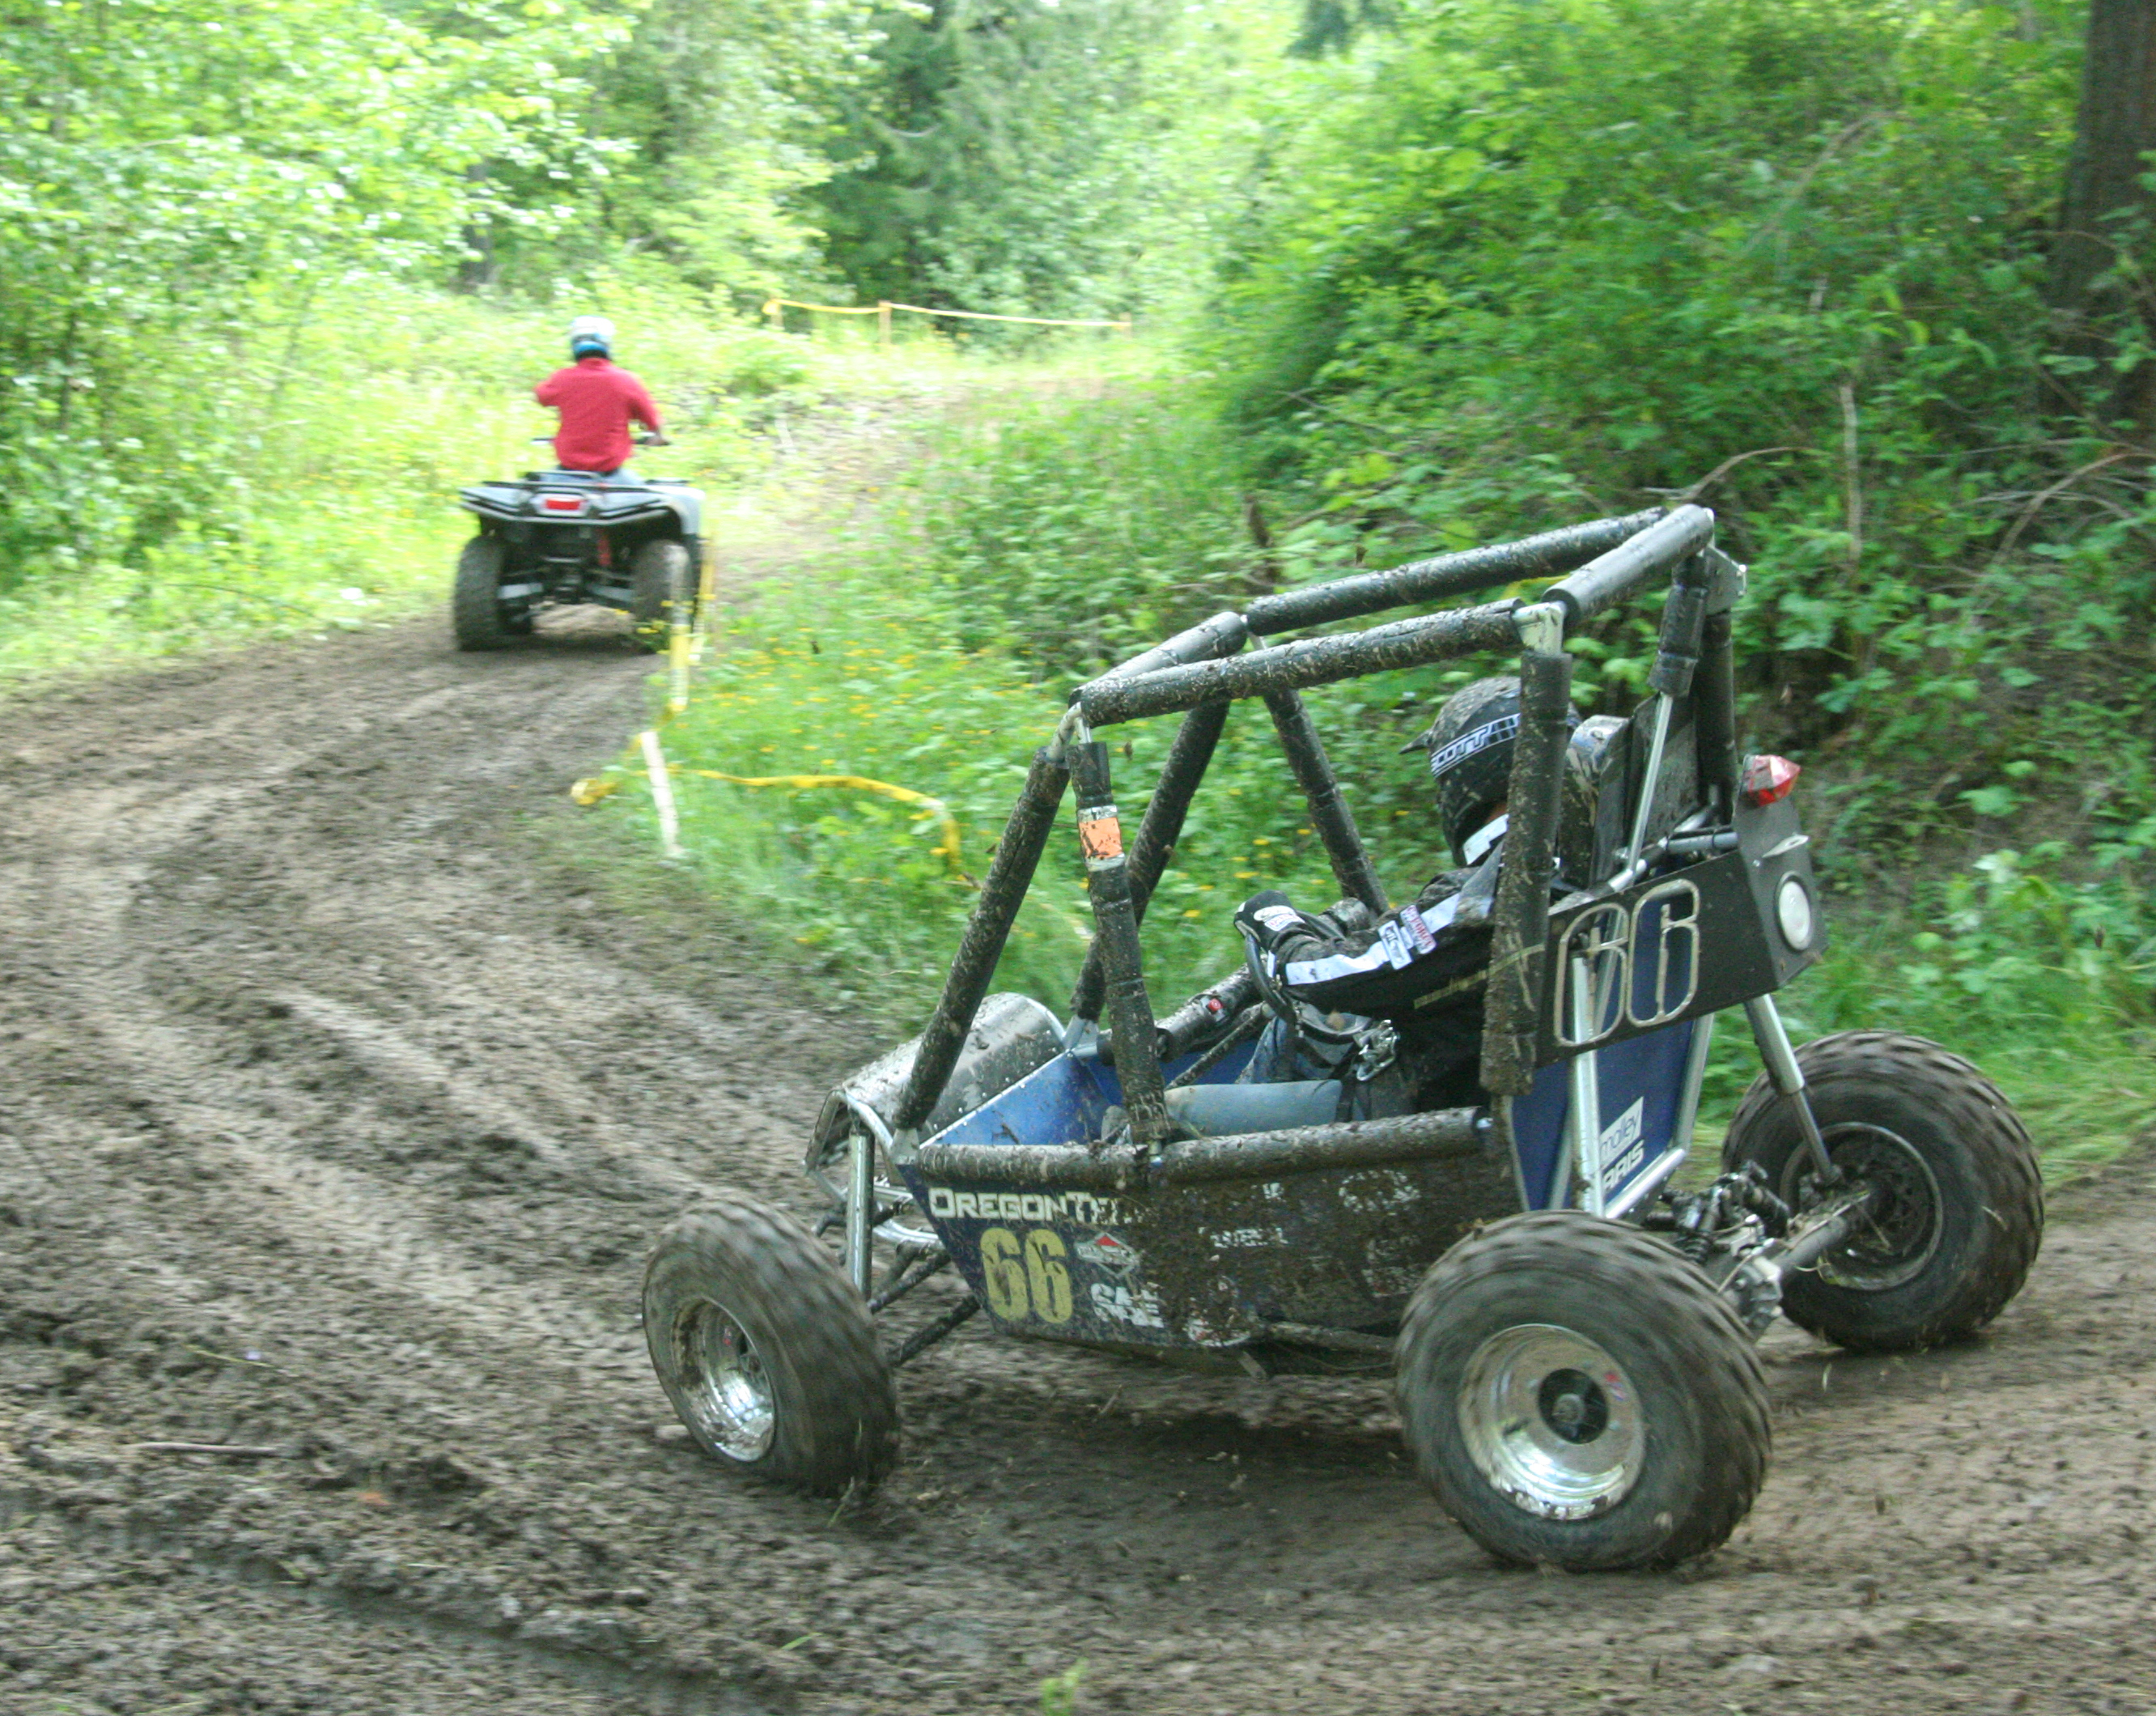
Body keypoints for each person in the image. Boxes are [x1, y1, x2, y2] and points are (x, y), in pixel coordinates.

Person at [1164, 677, 1590, 1136]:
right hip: (1553, 1111)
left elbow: (1325, 977)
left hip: (1432, 1127)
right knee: (1333, 1026)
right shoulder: (1594, 869)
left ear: (1471, 777)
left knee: (1171, 1112)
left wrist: (1277, 930)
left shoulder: (1495, 894)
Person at [534, 316, 664, 477]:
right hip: (610, 471)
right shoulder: (625, 380)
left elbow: (541, 396)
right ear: (608, 344)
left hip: (568, 468)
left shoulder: (562, 378)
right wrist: (657, 435)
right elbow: (652, 419)